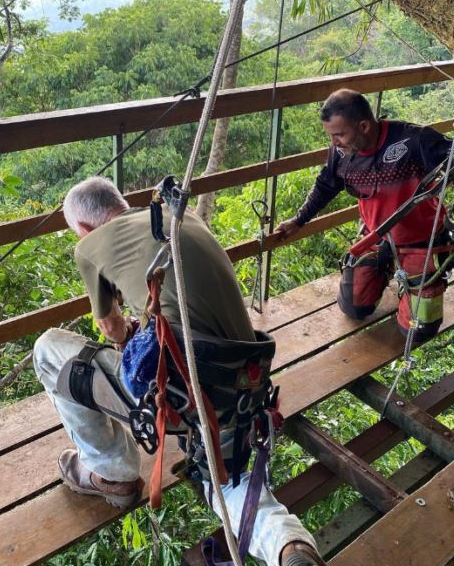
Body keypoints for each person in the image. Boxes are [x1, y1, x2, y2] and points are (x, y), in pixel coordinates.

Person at [33, 176, 326, 566]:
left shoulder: (90, 246)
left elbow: (112, 328)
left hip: (193, 388)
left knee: (49, 348)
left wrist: (129, 342)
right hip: (244, 381)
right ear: (121, 203)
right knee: (227, 486)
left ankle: (111, 471)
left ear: (84, 229)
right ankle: (289, 547)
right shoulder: (177, 217)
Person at [276, 89, 454, 342]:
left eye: (339, 134)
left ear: (363, 126)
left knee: (417, 331)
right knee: (354, 308)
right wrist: (299, 221)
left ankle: (414, 281)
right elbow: (326, 185)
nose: (334, 142)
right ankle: (386, 269)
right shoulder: (341, 153)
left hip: (422, 242)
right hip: (376, 237)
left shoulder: (414, 141)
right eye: (330, 135)